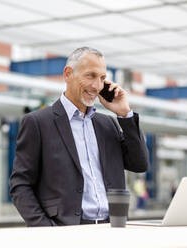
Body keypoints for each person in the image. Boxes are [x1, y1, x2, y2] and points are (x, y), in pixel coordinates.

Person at [9, 47, 149, 226]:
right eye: (90, 75)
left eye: (102, 78)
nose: (97, 86)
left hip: (113, 228)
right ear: (68, 74)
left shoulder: (108, 124)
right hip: (66, 231)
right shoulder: (37, 123)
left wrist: (125, 114)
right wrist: (46, 230)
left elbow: (140, 164)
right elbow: (20, 185)